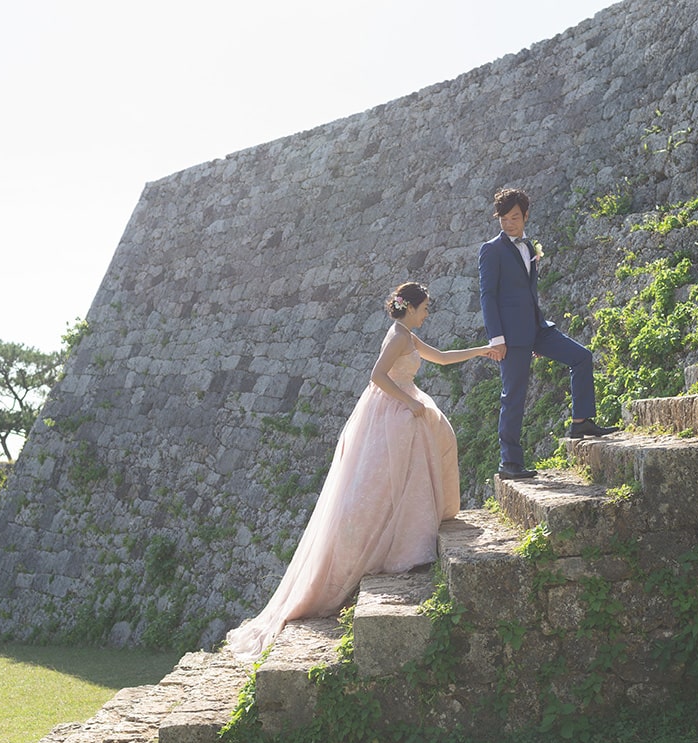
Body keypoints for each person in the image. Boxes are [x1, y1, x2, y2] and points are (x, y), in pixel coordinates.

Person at [226, 282, 499, 660]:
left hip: (403, 405)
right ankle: (397, 544)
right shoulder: (399, 337)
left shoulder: (406, 334)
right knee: (386, 483)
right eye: (425, 308)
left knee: (423, 460)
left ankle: (412, 532)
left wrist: (481, 351)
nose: (427, 313)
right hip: (392, 410)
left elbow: (441, 356)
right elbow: (378, 376)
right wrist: (408, 402)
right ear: (411, 308)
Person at [478, 188, 618, 480]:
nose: (508, 224)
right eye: (503, 219)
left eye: (514, 217)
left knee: (581, 357)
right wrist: (497, 339)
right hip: (511, 337)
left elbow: (528, 292)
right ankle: (510, 464)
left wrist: (535, 331)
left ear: (526, 215)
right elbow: (487, 296)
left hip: (537, 328)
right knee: (513, 396)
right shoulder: (491, 249)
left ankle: (581, 421)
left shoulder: (529, 247)